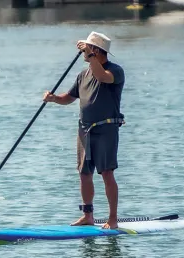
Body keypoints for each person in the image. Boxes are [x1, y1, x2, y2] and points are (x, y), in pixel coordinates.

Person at [42, 31, 126, 229]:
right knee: (84, 173)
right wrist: (54, 99)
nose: (84, 54)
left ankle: (112, 219)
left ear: (97, 51)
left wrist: (90, 55)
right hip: (84, 130)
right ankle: (88, 216)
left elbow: (103, 77)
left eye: (89, 49)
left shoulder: (115, 70)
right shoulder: (83, 75)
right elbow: (70, 97)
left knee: (106, 173)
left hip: (106, 129)